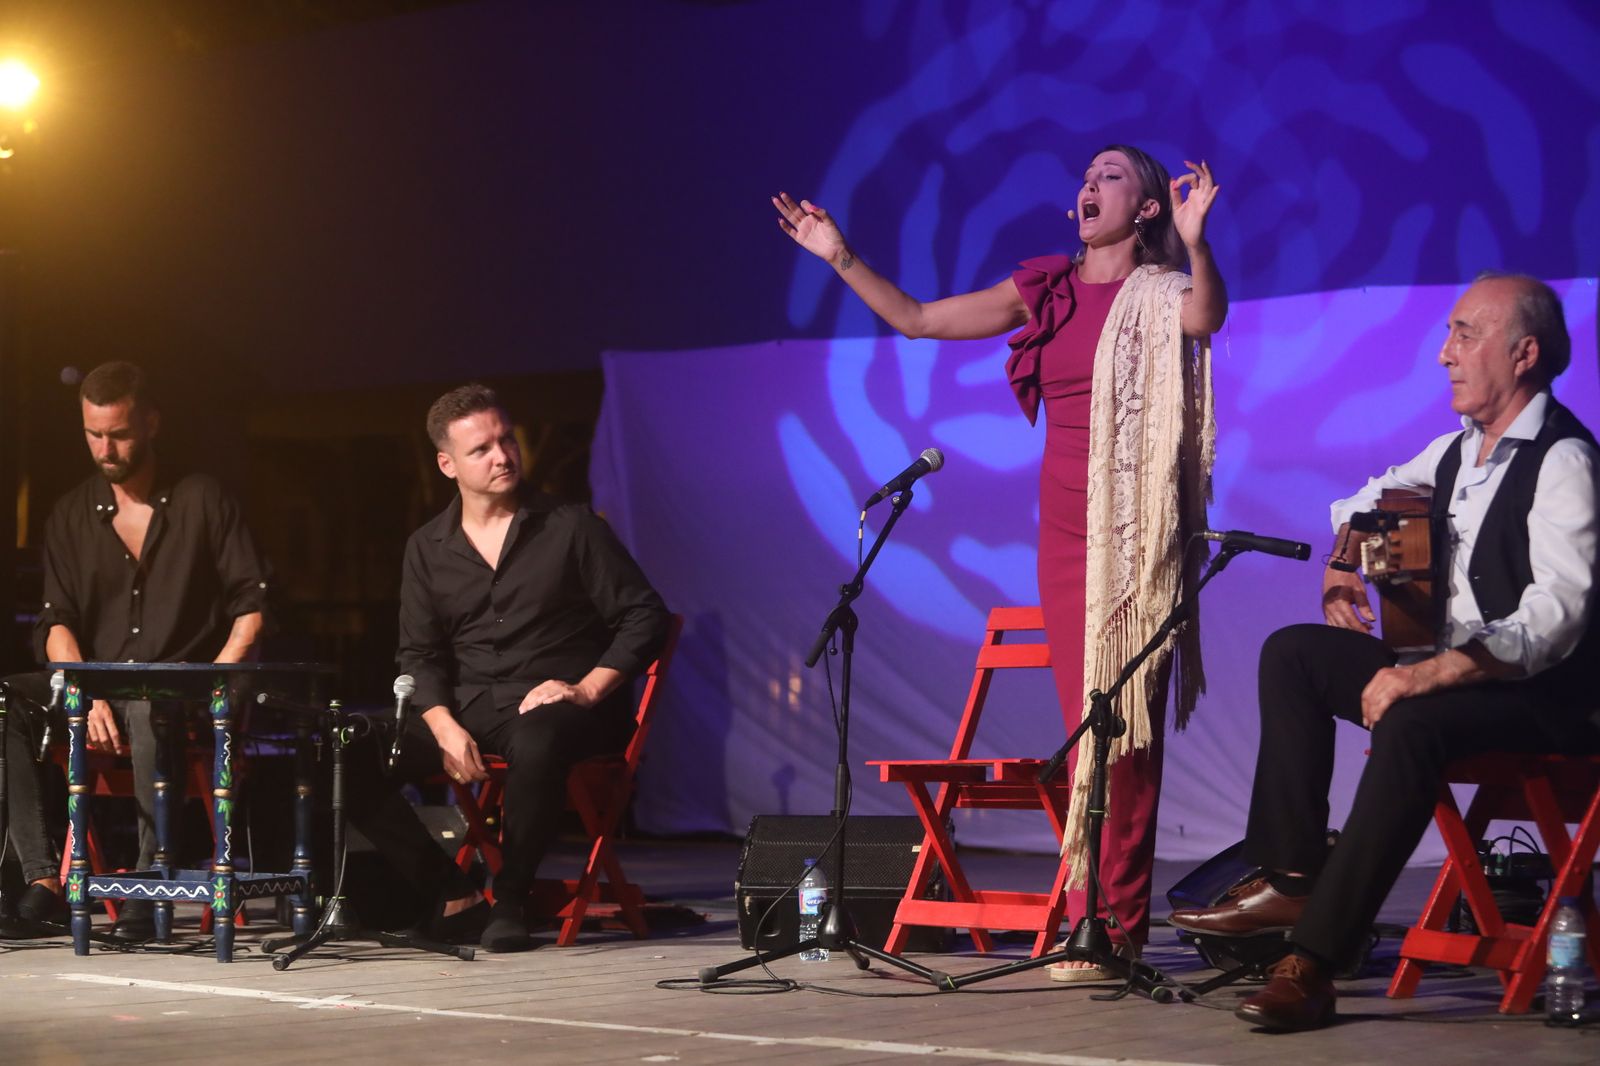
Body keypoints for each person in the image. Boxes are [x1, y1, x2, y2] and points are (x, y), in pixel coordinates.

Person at [773, 145, 1226, 978]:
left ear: (1151, 206)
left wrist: (1199, 243)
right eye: (1086, 177)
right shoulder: (1045, 287)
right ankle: (1088, 915)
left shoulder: (1160, 292)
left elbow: (1204, 320)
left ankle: (1112, 927)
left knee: (1127, 738)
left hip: (1136, 536)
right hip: (1061, 533)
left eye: (1113, 175)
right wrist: (839, 256)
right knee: (1088, 732)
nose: (1091, 186)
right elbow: (918, 318)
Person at [1169, 273, 1600, 1030]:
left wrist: (1432, 672)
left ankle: (1314, 963)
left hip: (1544, 699)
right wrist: (1345, 554)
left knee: (1410, 723)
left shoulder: (1564, 461)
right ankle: (1296, 875)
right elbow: (1366, 500)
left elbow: (1556, 618)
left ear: (1525, 353)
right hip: (1460, 682)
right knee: (1295, 655)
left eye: (1466, 333)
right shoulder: (1455, 453)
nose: (1444, 354)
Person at [345, 384, 670, 953]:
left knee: (537, 737)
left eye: (506, 439)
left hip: (561, 707)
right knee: (345, 751)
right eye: (481, 449)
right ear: (447, 464)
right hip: (471, 705)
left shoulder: (570, 526)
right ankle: (453, 892)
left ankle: (512, 897)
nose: (502, 455)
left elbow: (645, 617)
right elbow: (418, 654)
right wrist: (444, 726)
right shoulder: (427, 547)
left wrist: (587, 689)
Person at [2, 361, 272, 939]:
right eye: (93, 434)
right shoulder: (73, 513)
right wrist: (81, 687)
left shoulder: (202, 498)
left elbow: (251, 605)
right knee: (8, 702)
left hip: (182, 694)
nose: (106, 448)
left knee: (151, 700)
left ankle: (151, 882)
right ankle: (44, 879)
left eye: (119, 433)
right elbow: (57, 621)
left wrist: (221, 679)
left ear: (150, 423)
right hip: (96, 687)